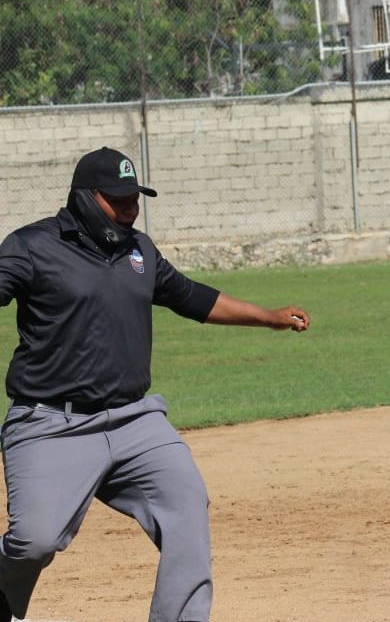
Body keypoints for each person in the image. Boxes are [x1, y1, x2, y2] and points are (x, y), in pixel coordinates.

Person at [0, 146, 310, 622]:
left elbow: (189, 296)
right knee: (35, 540)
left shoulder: (138, 249)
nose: (131, 208)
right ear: (86, 197)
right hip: (49, 424)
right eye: (119, 199)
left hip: (133, 422)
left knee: (186, 504)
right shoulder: (33, 246)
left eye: (135, 197)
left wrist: (268, 318)